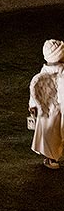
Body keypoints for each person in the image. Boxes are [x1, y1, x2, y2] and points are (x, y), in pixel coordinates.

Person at [29, 39, 64, 169]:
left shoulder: (43, 72)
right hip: (58, 110)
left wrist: (32, 106)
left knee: (49, 136)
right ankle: (52, 158)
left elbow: (35, 92)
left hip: (48, 112)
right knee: (57, 134)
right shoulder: (62, 72)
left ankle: (50, 158)